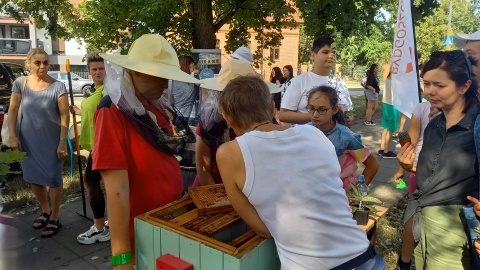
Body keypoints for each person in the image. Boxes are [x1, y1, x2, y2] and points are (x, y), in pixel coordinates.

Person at [216, 75, 386, 270]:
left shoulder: (228, 153)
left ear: (228, 118)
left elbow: (263, 229)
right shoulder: (313, 133)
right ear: (273, 109)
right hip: (366, 258)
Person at [93, 34, 198, 268]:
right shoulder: (112, 112)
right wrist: (122, 258)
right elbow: (116, 192)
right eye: (160, 76)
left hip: (167, 226)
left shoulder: (156, 105)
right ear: (136, 72)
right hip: (139, 236)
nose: (165, 84)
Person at [397, 50, 479, 269]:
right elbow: (433, 177)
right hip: (423, 220)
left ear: (464, 86)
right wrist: (409, 168)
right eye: (426, 84)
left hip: (453, 230)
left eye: (440, 86)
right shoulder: (434, 125)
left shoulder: (476, 127)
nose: (430, 92)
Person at [8, 48, 69, 238]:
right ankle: (45, 210)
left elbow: (65, 115)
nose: (42, 66)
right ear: (28, 64)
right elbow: (12, 110)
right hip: (28, 140)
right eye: (38, 62)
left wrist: (62, 142)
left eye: (45, 62)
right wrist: (13, 136)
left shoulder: (58, 86)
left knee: (53, 178)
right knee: (34, 177)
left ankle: (56, 216)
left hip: (52, 141)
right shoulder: (21, 83)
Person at [193, 59, 280, 186]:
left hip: (251, 187)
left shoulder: (264, 119)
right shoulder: (211, 121)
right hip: (214, 186)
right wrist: (216, 201)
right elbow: (203, 167)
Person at [70, 52, 110, 245]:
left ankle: (100, 228)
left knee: (92, 183)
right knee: (108, 186)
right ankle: (111, 224)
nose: (98, 72)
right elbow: (93, 112)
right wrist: (79, 110)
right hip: (95, 145)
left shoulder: (107, 91)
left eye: (101, 68)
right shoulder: (94, 92)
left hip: (104, 145)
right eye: (94, 69)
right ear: (88, 72)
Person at [307, 85, 379, 189]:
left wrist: (357, 193)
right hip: (316, 193)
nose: (315, 114)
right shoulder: (305, 131)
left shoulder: (347, 138)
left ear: (335, 109)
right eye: (311, 108)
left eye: (322, 110)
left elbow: (373, 165)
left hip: (343, 194)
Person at [278, 36, 354, 125]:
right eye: (325, 52)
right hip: (307, 137)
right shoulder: (299, 82)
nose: (330, 56)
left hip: (336, 137)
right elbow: (283, 115)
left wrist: (350, 118)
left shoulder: (339, 83)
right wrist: (315, 116)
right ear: (313, 55)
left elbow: (349, 112)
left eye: (333, 53)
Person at [377, 72, 399, 158]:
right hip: (393, 106)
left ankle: (382, 148)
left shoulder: (387, 79)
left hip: (386, 105)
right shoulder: (396, 81)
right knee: (390, 129)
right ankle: (386, 151)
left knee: (386, 128)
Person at [170, 55, 197, 121]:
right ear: (188, 65)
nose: (193, 68)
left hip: (177, 113)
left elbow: (171, 98)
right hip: (189, 115)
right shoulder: (192, 80)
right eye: (192, 65)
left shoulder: (174, 79)